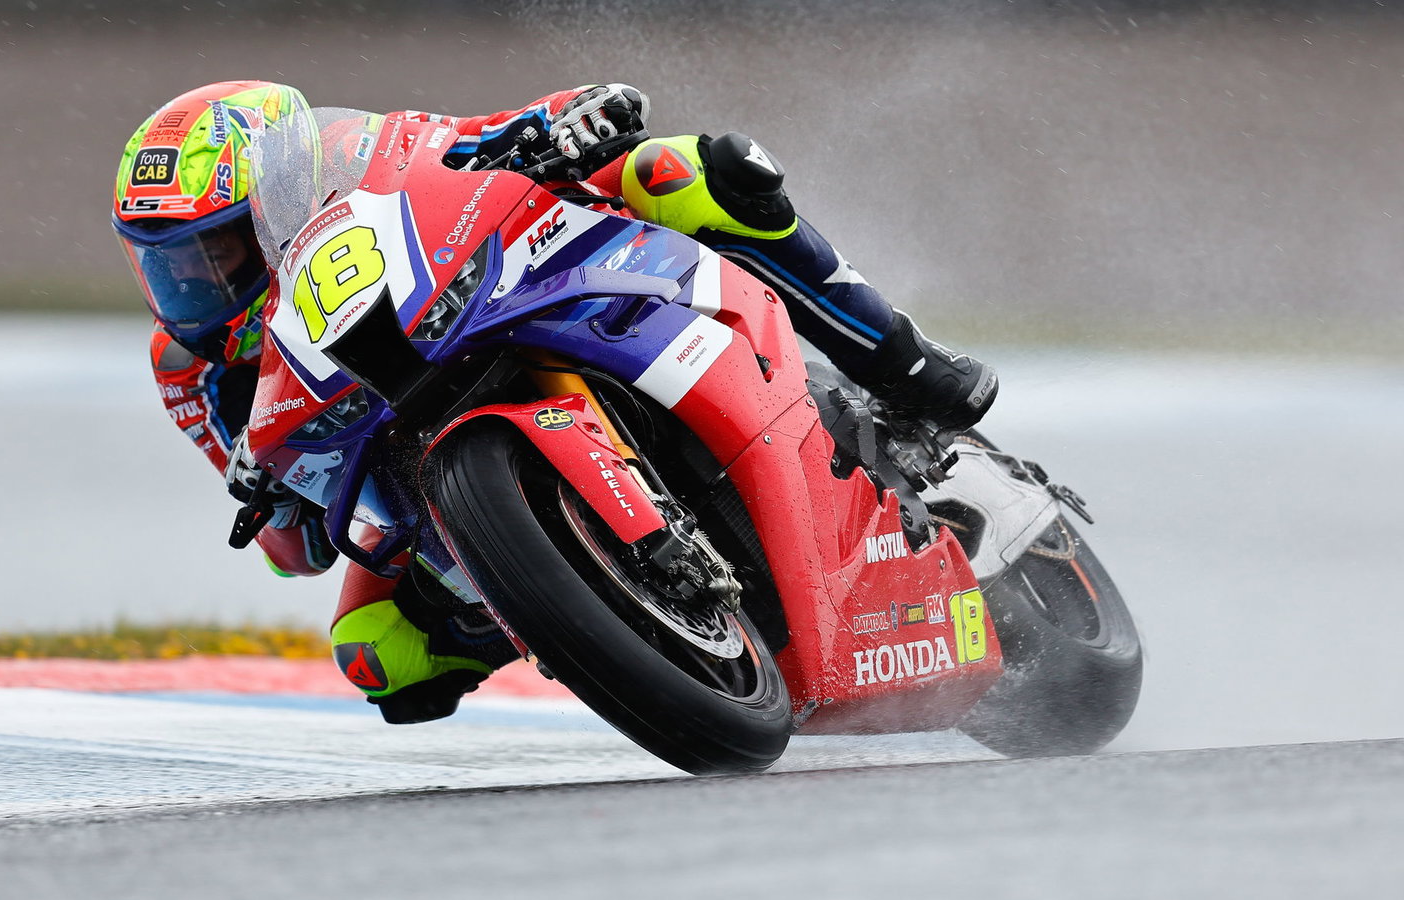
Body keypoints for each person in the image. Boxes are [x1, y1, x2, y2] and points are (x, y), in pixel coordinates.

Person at [112, 80, 999, 723]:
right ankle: (577, 596)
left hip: (513, 286)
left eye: (213, 250)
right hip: (403, 452)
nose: (190, 283)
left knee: (682, 170)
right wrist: (273, 494)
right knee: (380, 653)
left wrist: (572, 118)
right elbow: (294, 550)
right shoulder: (188, 368)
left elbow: (477, 135)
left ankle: (905, 364)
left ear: (274, 198)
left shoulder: (355, 155)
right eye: (165, 264)